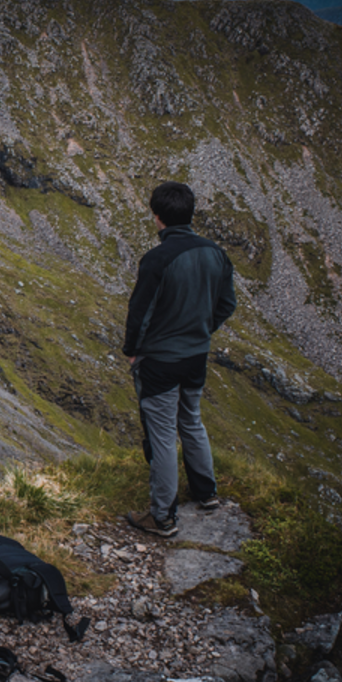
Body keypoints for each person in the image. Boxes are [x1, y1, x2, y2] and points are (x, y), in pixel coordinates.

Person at [121, 181, 236, 537]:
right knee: (191, 421)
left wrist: (132, 350)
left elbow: (140, 312)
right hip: (196, 355)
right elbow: (227, 304)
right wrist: (203, 328)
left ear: (157, 217)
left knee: (161, 434)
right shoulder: (215, 252)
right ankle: (207, 494)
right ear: (191, 213)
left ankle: (162, 516)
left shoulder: (158, 259)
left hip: (160, 361)